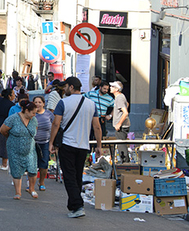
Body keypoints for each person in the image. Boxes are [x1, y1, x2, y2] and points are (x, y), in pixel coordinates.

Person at [49, 77, 102, 218]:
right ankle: (74, 205)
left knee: (69, 176)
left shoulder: (63, 102)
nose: (64, 89)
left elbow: (56, 124)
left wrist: (51, 143)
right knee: (77, 176)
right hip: (83, 145)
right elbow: (97, 126)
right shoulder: (91, 104)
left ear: (71, 87)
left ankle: (77, 206)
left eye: (65, 86)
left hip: (67, 144)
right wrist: (98, 145)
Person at [0, 101, 38, 200]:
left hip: (30, 149)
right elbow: (3, 130)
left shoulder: (33, 120)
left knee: (33, 169)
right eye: (33, 112)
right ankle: (18, 192)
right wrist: (11, 138)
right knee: (16, 169)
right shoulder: (13, 118)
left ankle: (32, 188)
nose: (34, 115)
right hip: (14, 148)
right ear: (26, 111)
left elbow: (35, 131)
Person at [33, 96, 54, 191]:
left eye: (39, 102)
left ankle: (41, 182)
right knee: (31, 164)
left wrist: (53, 142)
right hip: (32, 142)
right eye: (36, 102)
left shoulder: (49, 114)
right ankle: (31, 183)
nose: (37, 104)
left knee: (44, 163)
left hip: (45, 142)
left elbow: (55, 126)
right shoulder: (31, 114)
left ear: (43, 104)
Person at [0, 89, 15, 170]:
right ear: (9, 96)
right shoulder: (11, 105)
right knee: (5, 144)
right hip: (5, 124)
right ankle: (4, 164)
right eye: (13, 94)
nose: (14, 96)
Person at [110, 81, 131, 163]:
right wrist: (111, 115)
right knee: (121, 145)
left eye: (112, 86)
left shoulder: (120, 97)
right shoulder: (119, 97)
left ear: (117, 89)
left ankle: (125, 163)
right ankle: (125, 163)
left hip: (122, 126)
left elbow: (125, 112)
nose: (110, 87)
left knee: (121, 145)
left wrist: (119, 123)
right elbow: (127, 104)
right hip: (121, 125)